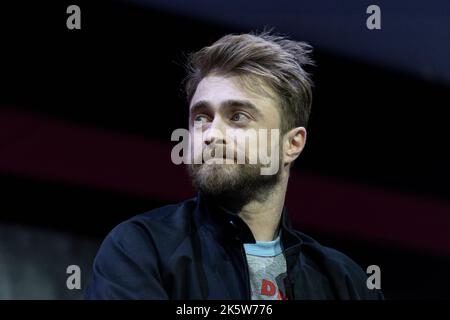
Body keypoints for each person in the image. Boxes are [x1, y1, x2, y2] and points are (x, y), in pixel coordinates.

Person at [85, 30, 384, 300]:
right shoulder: (140, 249)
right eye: (201, 118)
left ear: (291, 144)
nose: (212, 133)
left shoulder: (346, 284)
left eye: (238, 116)